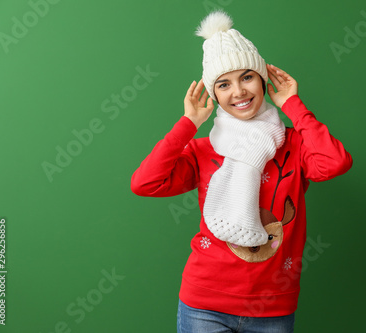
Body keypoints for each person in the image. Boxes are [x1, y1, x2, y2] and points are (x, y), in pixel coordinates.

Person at [131, 10, 353, 333]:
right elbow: (146, 182)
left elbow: (336, 162)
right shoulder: (202, 151)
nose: (238, 92)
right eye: (224, 84)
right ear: (214, 94)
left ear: (263, 79)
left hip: (273, 306)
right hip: (204, 304)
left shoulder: (293, 145)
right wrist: (188, 124)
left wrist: (293, 105)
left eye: (247, 77)